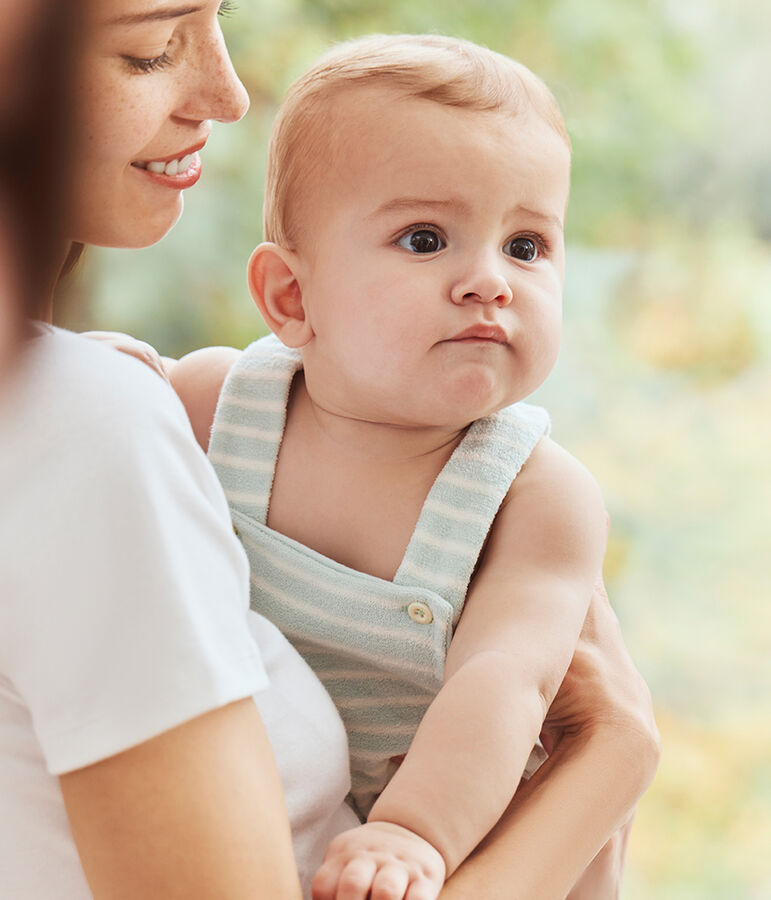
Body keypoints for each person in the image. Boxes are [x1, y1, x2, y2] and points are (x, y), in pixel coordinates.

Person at [3, 3, 658, 898]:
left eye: (528, 245)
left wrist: (413, 835)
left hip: (436, 833)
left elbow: (504, 686)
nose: (489, 281)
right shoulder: (218, 403)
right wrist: (615, 755)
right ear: (289, 297)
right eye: (425, 240)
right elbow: (607, 730)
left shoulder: (527, 493)